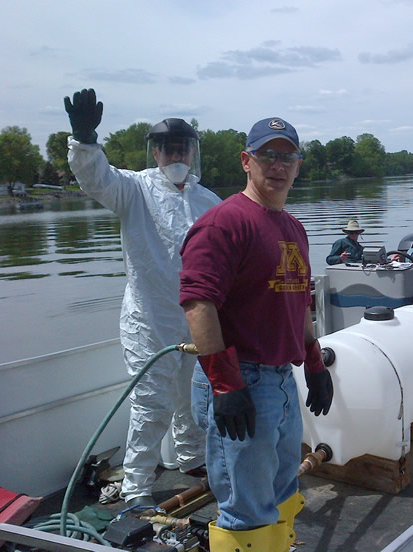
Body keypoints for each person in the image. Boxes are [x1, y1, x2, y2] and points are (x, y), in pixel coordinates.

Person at [179, 117, 334, 550]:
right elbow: (198, 302)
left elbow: (300, 302)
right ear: (247, 161)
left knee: (283, 491)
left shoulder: (293, 227)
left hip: (281, 379)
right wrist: (225, 383)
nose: (277, 165)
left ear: (298, 166)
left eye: (287, 156)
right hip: (240, 381)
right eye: (267, 155)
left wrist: (316, 363)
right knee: (245, 506)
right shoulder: (224, 223)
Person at [63, 89, 221, 506]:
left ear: (193, 151)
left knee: (193, 398)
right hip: (147, 321)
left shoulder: (209, 202)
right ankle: (136, 489)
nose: (176, 156)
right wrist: (84, 140)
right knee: (151, 404)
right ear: (154, 153)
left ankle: (192, 459)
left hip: (198, 320)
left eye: (183, 148)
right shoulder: (133, 190)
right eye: (167, 149)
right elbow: (96, 178)